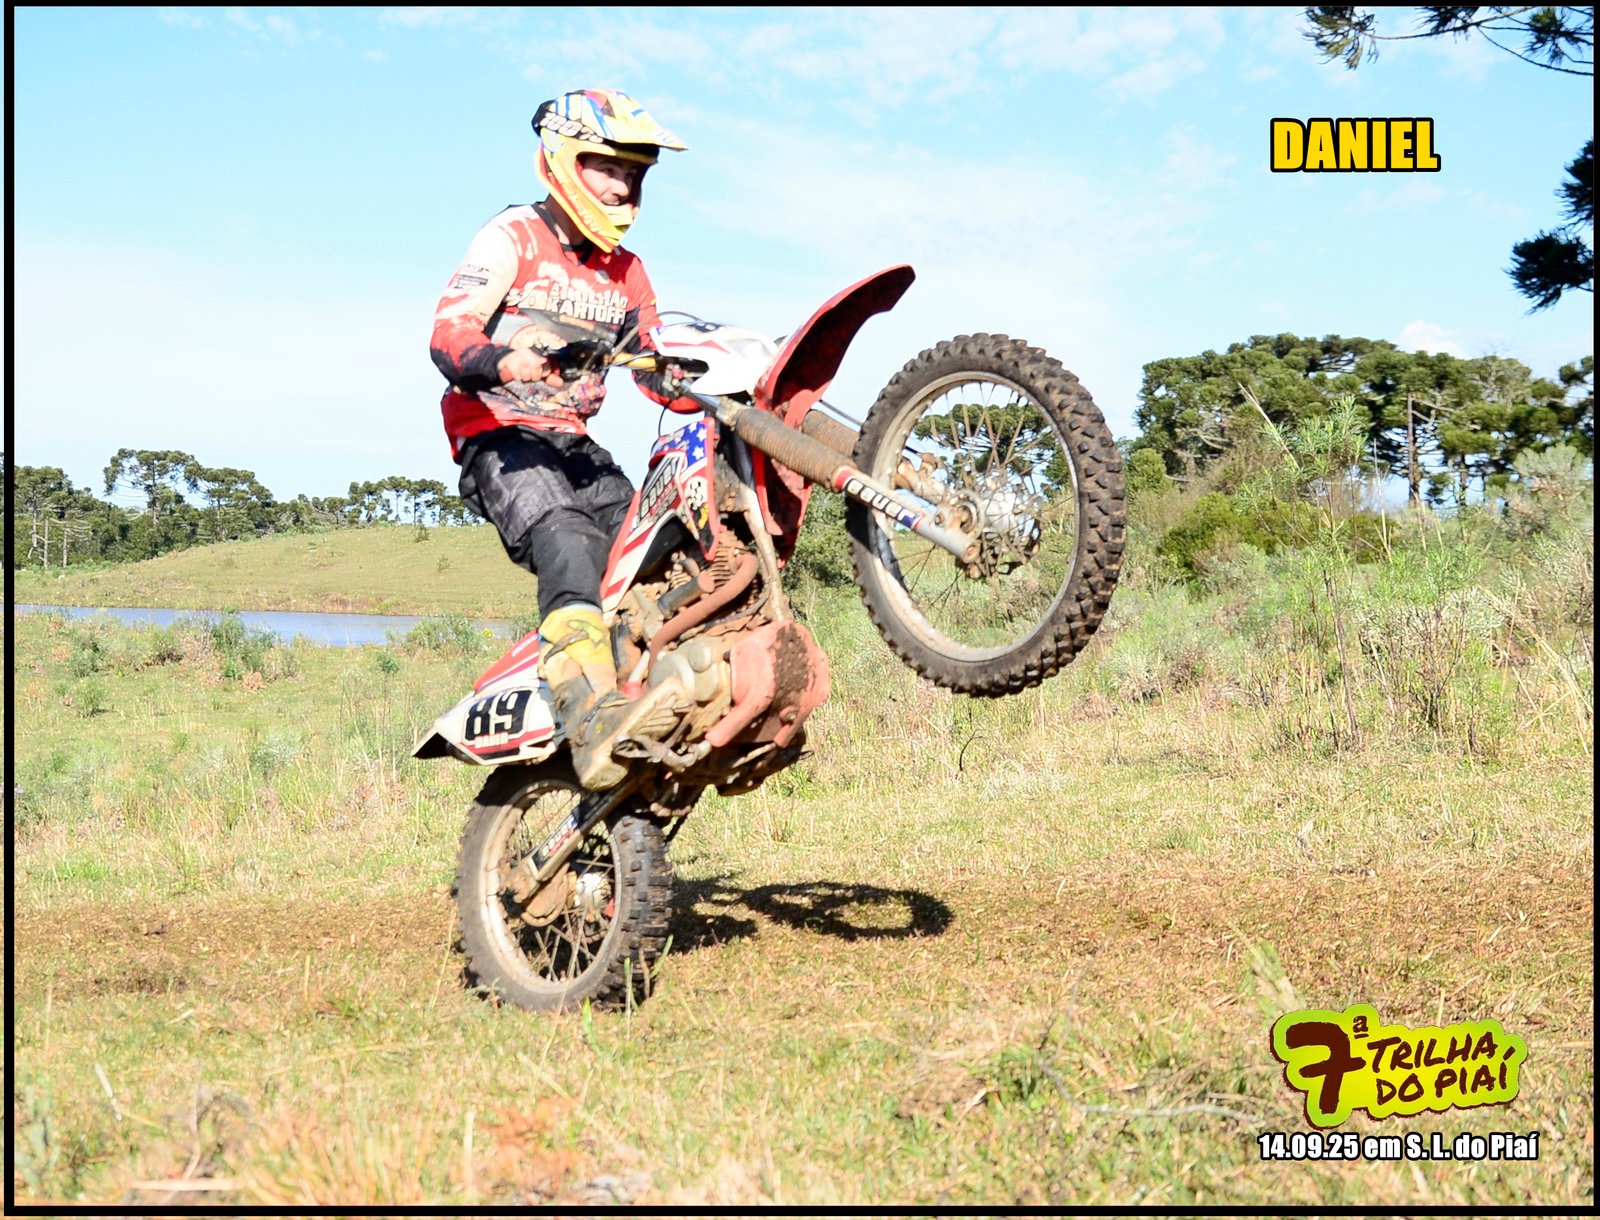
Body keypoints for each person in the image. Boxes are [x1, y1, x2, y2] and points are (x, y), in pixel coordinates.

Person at [429, 88, 687, 789]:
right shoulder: (512, 237)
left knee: (659, 541)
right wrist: (504, 359)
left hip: (573, 443)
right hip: (498, 435)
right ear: (567, 160)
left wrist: (707, 379)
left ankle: (660, 689)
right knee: (567, 536)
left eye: (634, 173)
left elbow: (655, 368)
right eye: (610, 169)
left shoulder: (628, 271)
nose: (623, 186)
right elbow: (447, 335)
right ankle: (587, 710)